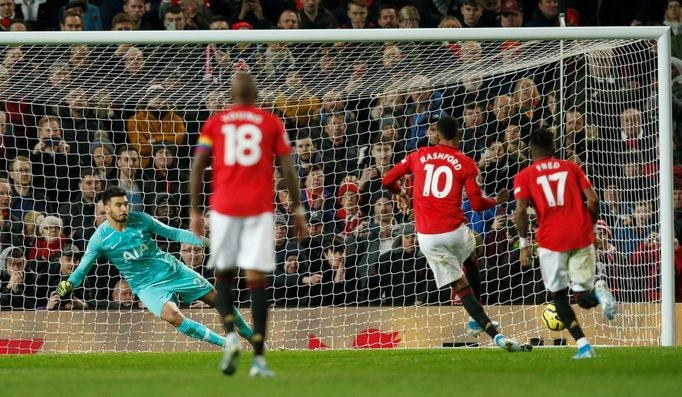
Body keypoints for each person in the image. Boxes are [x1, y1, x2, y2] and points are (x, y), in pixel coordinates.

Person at [189, 72, 307, 377]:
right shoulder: (270, 123)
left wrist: (195, 210)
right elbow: (288, 169)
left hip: (225, 209)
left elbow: (198, 166)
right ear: (256, 94)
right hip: (258, 210)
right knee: (257, 283)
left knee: (224, 277)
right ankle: (258, 359)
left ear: (231, 95)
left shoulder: (216, 123)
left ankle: (229, 336)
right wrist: (297, 209)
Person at [381, 115, 530, 353]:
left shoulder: (417, 155)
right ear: (458, 135)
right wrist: (497, 200)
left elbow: (387, 179)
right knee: (471, 259)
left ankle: (491, 332)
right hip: (454, 232)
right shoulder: (466, 162)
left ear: (436, 135)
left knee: (461, 287)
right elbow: (478, 204)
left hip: (427, 237)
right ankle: (477, 320)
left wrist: (401, 194)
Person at [55, 186, 254, 351]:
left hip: (172, 270)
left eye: (125, 203)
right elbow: (82, 269)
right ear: (107, 209)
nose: (124, 208)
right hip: (146, 286)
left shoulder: (141, 219)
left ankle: (249, 334)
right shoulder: (100, 239)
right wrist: (69, 284)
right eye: (118, 205)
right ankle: (226, 344)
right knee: (173, 316)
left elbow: (174, 233)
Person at [513, 128, 617, 359]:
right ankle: (600, 292)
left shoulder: (524, 176)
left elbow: (520, 211)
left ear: (530, 151)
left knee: (558, 296)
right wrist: (589, 227)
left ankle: (584, 346)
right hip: (581, 235)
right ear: (553, 148)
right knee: (583, 297)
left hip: (552, 240)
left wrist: (524, 244)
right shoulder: (571, 167)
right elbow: (593, 199)